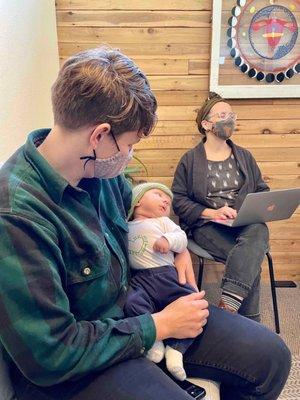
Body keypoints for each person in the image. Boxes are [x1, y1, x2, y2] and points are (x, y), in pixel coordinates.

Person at [0, 47, 291, 400]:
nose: (130, 155)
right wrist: (158, 325)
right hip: (75, 362)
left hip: (135, 309)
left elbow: (142, 217)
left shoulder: (98, 172)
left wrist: (177, 244)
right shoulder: (17, 216)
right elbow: (51, 354)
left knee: (272, 357)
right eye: (130, 144)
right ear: (99, 136)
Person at [172, 92, 269, 320]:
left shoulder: (244, 156)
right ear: (206, 124)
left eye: (231, 115)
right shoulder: (190, 160)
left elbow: (261, 189)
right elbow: (179, 200)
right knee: (249, 261)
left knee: (258, 232)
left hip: (243, 223)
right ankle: (249, 322)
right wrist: (213, 212)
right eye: (223, 115)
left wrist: (255, 209)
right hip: (207, 225)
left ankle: (229, 308)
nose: (230, 120)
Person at [125, 182, 199, 381]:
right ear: (138, 201)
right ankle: (154, 340)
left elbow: (181, 238)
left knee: (196, 307)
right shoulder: (125, 226)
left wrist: (168, 240)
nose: (166, 200)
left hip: (166, 275)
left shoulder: (164, 223)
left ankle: (176, 350)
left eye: (168, 200)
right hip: (139, 279)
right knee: (132, 302)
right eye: (158, 194)